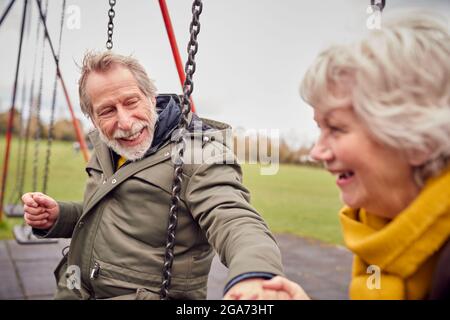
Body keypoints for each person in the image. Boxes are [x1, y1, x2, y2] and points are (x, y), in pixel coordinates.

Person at [21, 52, 303, 300]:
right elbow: (110, 212)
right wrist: (60, 216)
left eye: (131, 102)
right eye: (107, 110)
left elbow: (235, 218)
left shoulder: (199, 155)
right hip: (73, 286)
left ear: (151, 98)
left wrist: (255, 274)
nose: (125, 122)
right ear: (93, 118)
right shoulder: (106, 146)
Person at [261, 12, 450, 299]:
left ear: (418, 140)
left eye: (336, 128)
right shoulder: (379, 231)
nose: (316, 151)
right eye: (319, 128)